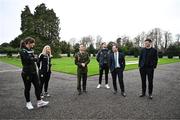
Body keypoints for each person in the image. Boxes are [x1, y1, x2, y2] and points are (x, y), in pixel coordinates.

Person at [20, 37, 49, 110]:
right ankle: (28, 103)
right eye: (33, 43)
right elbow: (29, 59)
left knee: (38, 86)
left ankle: (39, 102)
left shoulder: (31, 50)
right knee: (27, 87)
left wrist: (38, 57)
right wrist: (35, 58)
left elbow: (36, 59)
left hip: (34, 72)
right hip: (27, 73)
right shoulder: (23, 51)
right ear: (29, 43)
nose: (34, 44)